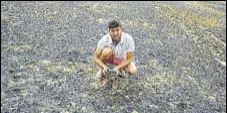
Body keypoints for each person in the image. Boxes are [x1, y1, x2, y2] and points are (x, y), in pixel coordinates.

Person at [93, 20, 137, 85]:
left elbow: (129, 59)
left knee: (133, 71)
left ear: (121, 30)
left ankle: (119, 71)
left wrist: (117, 67)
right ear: (109, 31)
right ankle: (102, 71)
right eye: (112, 31)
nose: (115, 33)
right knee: (106, 51)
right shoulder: (104, 39)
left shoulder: (128, 39)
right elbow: (95, 57)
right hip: (110, 59)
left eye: (117, 30)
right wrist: (103, 67)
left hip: (121, 59)